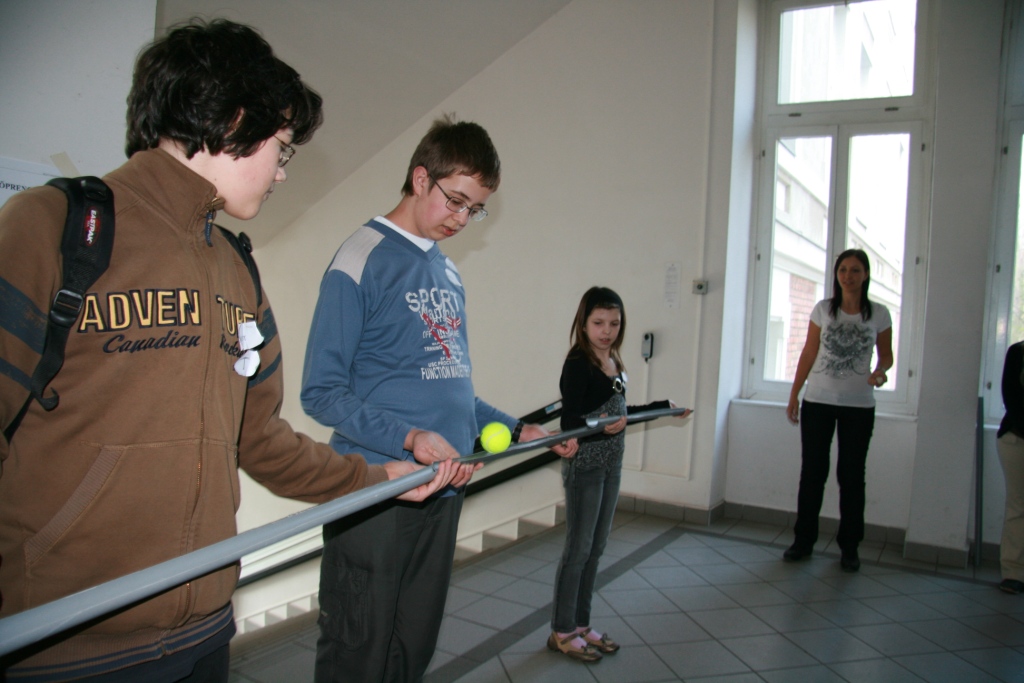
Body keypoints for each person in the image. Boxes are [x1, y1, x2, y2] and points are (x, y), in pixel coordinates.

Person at [0, 18, 456, 683]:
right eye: (282, 148)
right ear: (233, 119)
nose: (281, 174)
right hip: (65, 648)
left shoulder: (237, 269)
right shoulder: (56, 228)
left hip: (206, 634)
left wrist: (371, 480)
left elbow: (260, 440)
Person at [300, 113, 576, 682]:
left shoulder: (447, 273)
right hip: (378, 491)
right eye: (456, 201)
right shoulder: (361, 258)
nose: (463, 219)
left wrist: (517, 428)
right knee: (358, 649)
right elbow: (321, 392)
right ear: (420, 178)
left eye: (476, 210)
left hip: (443, 489)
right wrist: (409, 437)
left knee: (413, 646)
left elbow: (450, 383)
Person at [548, 286, 690, 662]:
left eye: (614, 323)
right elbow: (570, 421)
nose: (607, 331)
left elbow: (623, 411)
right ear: (583, 323)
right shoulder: (578, 363)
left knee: (596, 548)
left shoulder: (615, 361)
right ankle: (561, 631)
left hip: (612, 465)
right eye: (599, 323)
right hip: (585, 466)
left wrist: (664, 407)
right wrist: (600, 423)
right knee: (578, 549)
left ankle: (581, 625)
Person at [784, 248, 893, 573]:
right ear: (837, 274)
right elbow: (808, 352)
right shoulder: (823, 310)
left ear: (866, 275)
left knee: (852, 476)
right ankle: (803, 542)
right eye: (843, 269)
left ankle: (850, 547)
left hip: (858, 407)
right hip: (818, 403)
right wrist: (794, 394)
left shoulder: (879, 314)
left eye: (855, 270)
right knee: (812, 473)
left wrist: (880, 371)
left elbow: (887, 355)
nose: (848, 276)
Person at [997, 340, 1024, 594]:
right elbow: (1012, 398)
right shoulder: (1018, 352)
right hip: (1017, 441)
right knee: (1018, 506)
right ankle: (1013, 572)